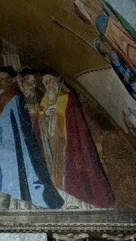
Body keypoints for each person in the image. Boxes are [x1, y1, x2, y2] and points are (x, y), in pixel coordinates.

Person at [0, 66, 63, 210]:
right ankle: (8, 202)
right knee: (9, 170)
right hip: (8, 142)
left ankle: (23, 202)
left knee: (27, 169)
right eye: (28, 81)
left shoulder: (16, 94)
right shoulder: (10, 94)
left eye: (33, 82)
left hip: (23, 140)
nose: (31, 85)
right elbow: (15, 114)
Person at [39, 69, 115, 208]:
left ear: (57, 80)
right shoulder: (45, 99)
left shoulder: (67, 96)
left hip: (68, 142)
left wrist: (56, 111)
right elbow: (39, 122)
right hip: (51, 143)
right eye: (45, 83)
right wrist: (43, 114)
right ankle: (60, 200)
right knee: (54, 172)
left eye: (50, 80)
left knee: (70, 172)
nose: (48, 85)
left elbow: (71, 117)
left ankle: (73, 201)